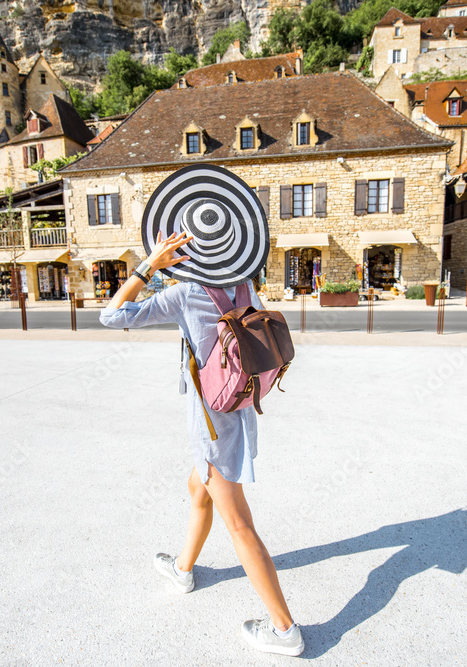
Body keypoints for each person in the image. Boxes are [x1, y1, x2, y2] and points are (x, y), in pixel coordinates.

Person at [99, 172, 303, 657]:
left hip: (212, 420)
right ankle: (184, 569)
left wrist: (148, 265)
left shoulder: (183, 293)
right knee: (198, 487)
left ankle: (284, 630)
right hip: (239, 406)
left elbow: (111, 316)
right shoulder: (245, 286)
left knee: (239, 525)